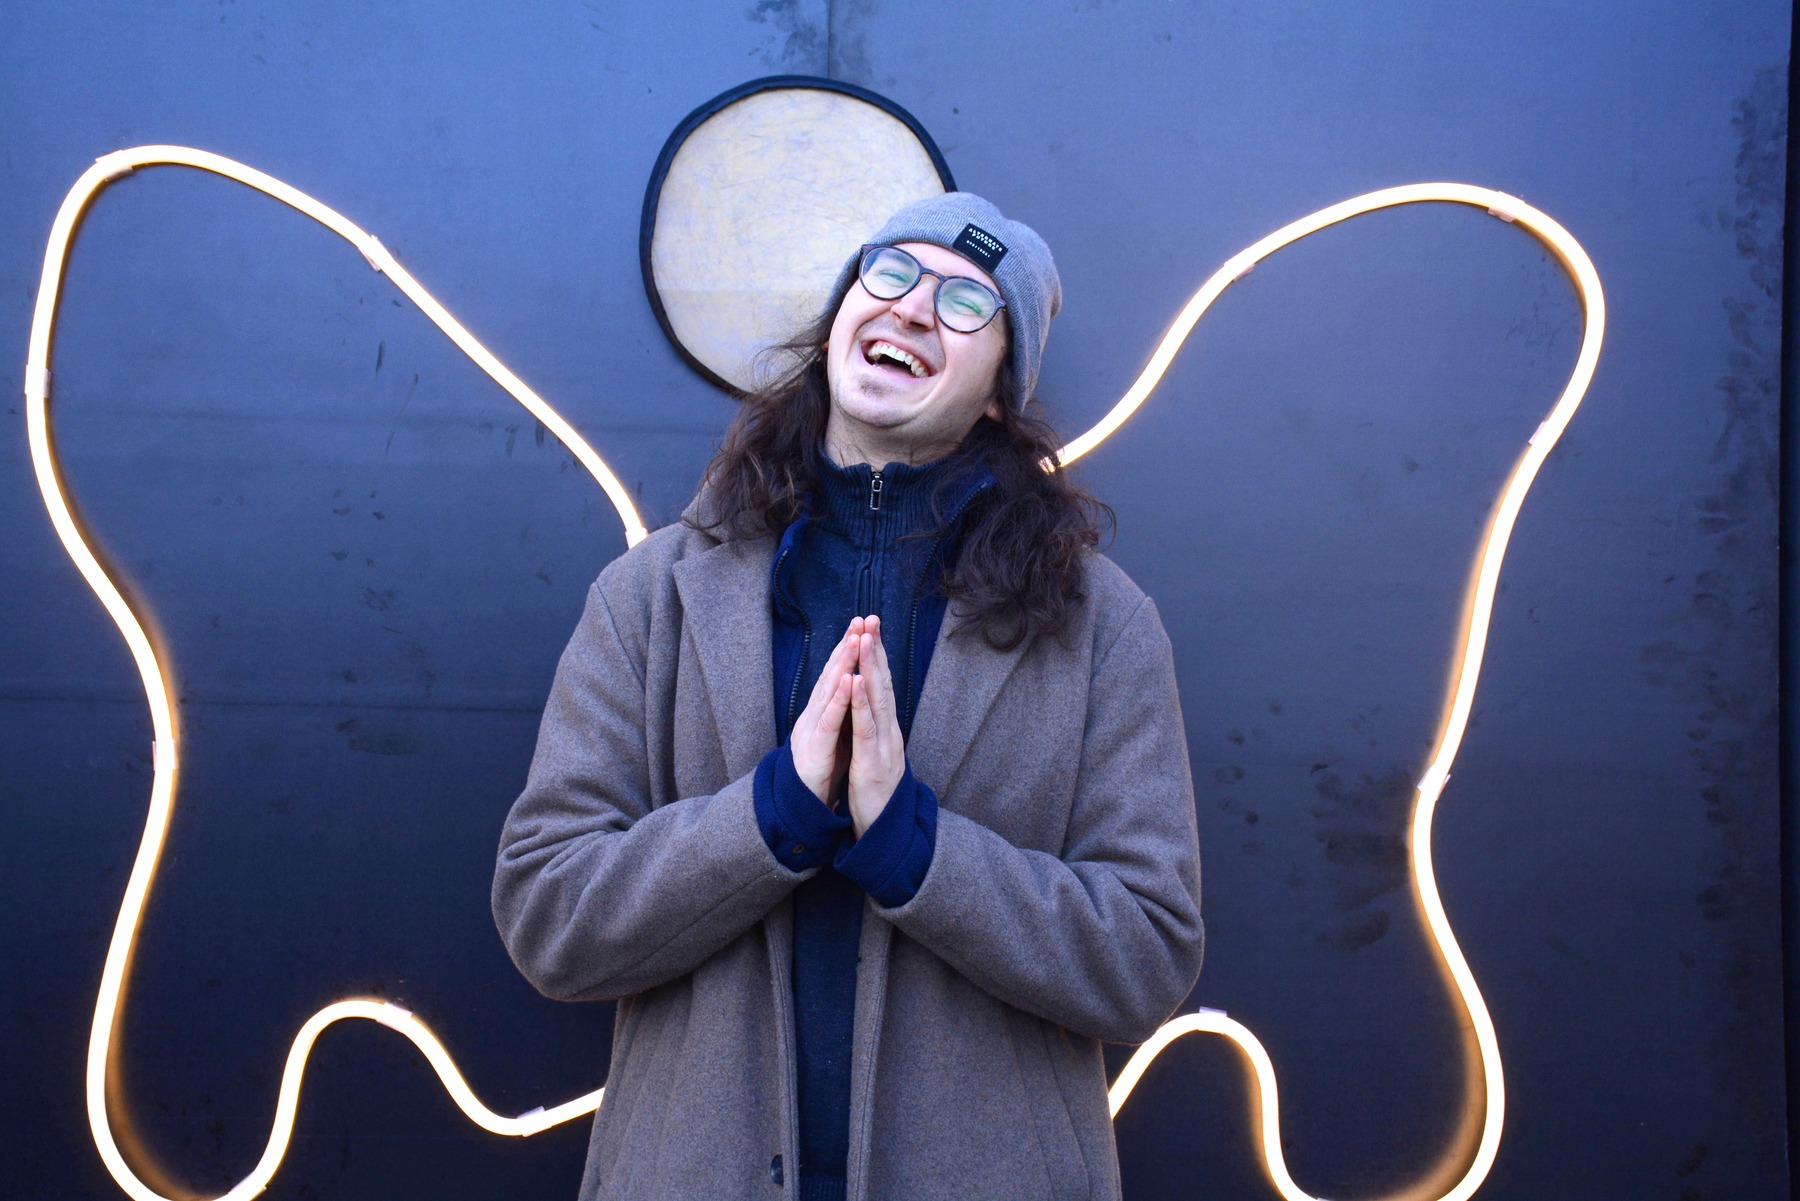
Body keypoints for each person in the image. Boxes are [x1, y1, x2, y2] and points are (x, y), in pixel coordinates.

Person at [492, 192, 1203, 1201]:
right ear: (841, 318)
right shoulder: (650, 594)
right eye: (893, 272)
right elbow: (547, 912)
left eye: (966, 301)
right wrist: (771, 814)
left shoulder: (1103, 627)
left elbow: (1147, 954)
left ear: (1000, 394)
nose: (912, 308)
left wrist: (915, 846)